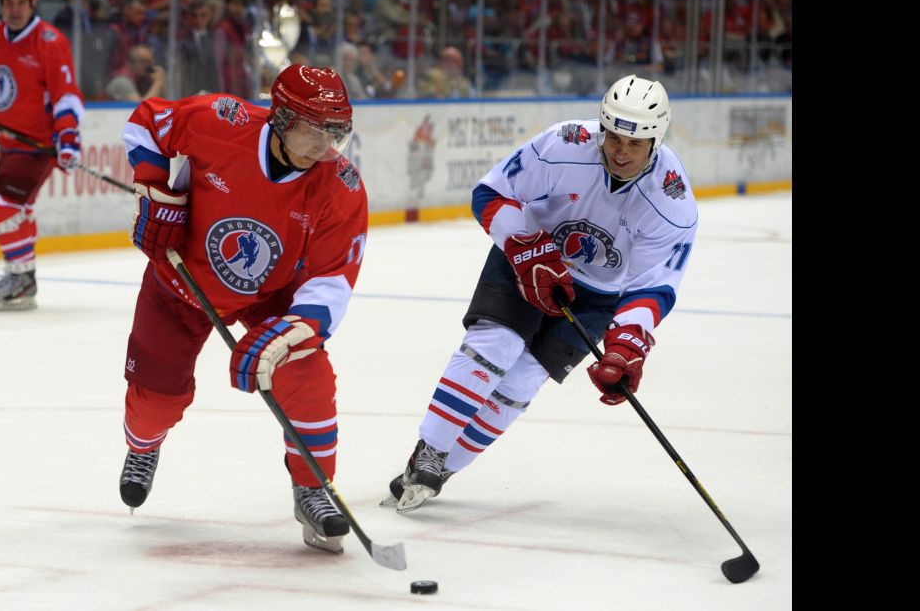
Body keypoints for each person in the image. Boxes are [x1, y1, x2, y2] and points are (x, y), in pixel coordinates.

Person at [384, 74, 697, 512]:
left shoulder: (672, 201)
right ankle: (430, 450)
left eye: (635, 143)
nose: (621, 151)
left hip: (598, 295)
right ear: (603, 127)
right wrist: (525, 246)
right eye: (614, 138)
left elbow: (653, 286)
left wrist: (628, 343)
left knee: (523, 380)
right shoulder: (564, 143)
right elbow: (490, 193)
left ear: (655, 141)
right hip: (530, 253)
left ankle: (444, 468)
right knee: (495, 345)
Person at [117, 65, 368, 554]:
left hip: (271, 296)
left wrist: (290, 332)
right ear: (281, 117)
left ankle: (313, 488)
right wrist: (154, 187)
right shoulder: (220, 120)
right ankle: (143, 447)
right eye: (313, 129)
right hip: (179, 282)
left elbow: (333, 278)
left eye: (335, 131)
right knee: (154, 405)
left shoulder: (341, 185)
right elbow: (147, 120)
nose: (324, 145)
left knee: (306, 375)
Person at [0, 0, 84, 310]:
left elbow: (66, 94)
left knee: (3, 205)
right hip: (8, 144)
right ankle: (21, 276)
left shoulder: (50, 41)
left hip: (36, 146)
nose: (13, 9)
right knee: (15, 209)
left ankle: (22, 278)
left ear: (32, 4)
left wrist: (68, 136)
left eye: (20, 3)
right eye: (7, 3)